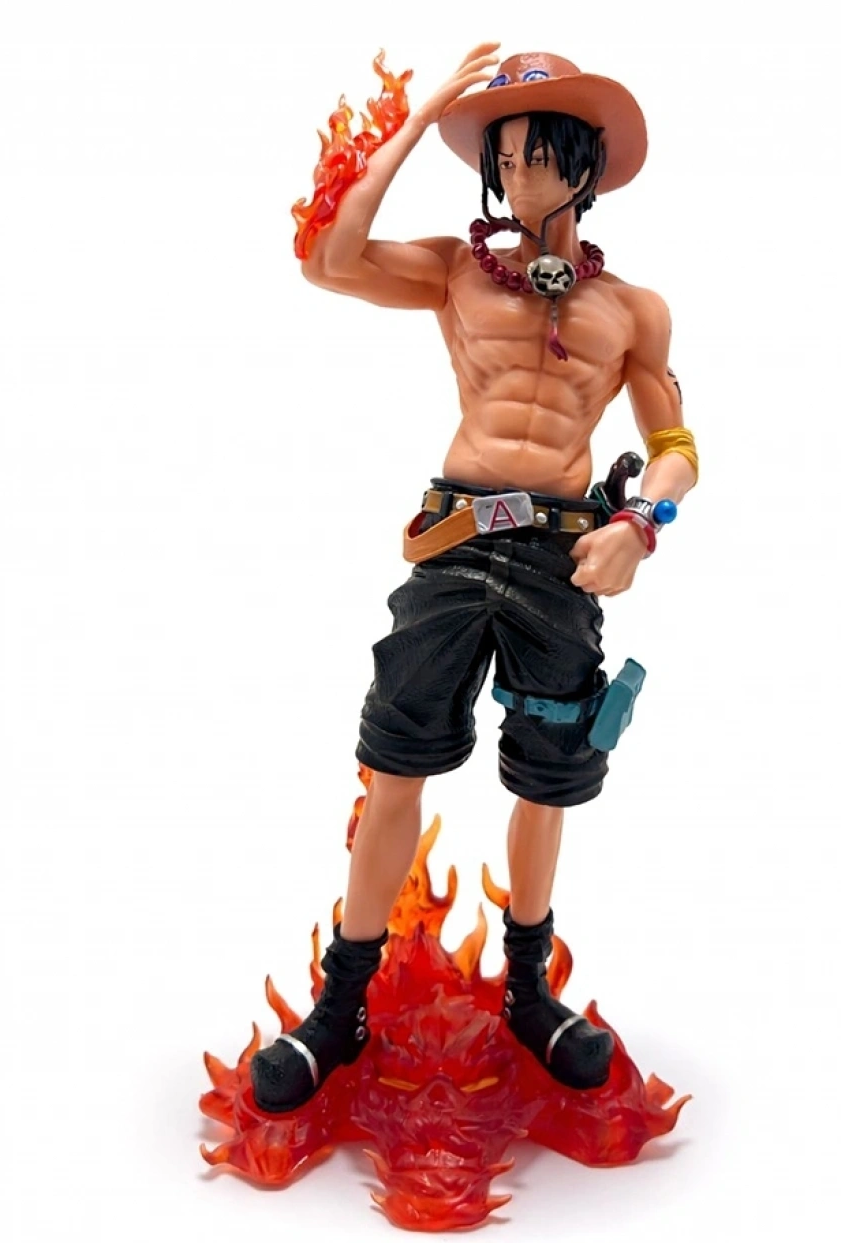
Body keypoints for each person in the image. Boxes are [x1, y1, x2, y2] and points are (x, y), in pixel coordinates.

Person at [250, 45, 699, 1114]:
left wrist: (641, 523)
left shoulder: (633, 310)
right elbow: (328, 258)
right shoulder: (456, 271)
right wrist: (417, 125)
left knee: (549, 774)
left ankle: (530, 991)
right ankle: (342, 1005)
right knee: (394, 761)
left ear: (583, 166)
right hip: (455, 541)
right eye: (503, 154)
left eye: (538, 153)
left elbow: (676, 442)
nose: (518, 171)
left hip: (562, 555)